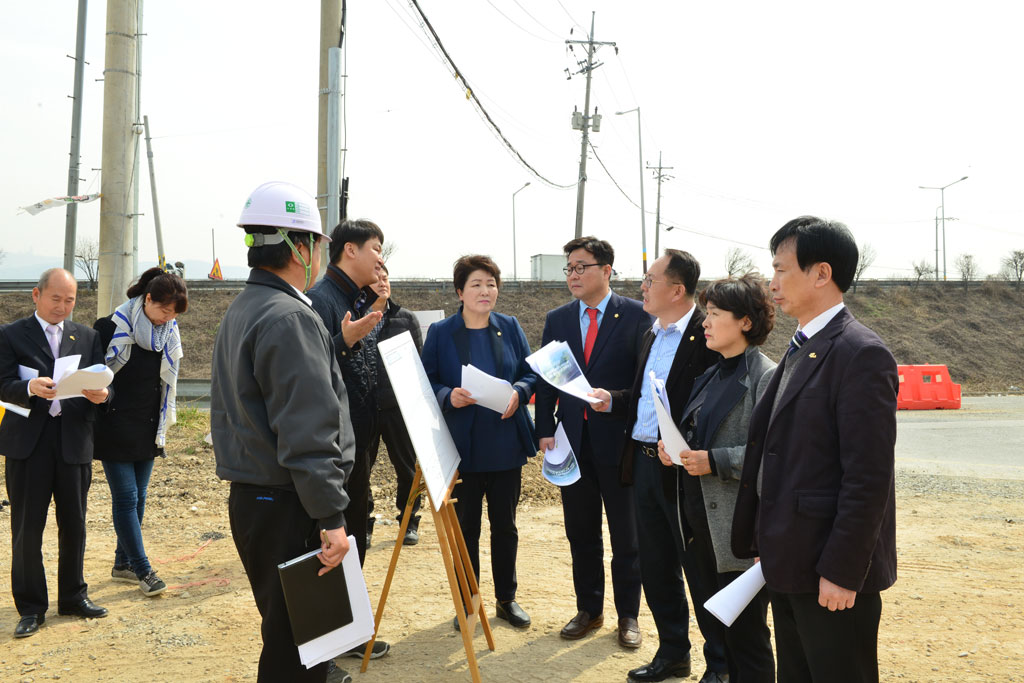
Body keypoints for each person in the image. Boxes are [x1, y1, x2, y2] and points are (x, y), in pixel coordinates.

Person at [732, 216, 899, 683]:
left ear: (821, 273)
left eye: (782, 270)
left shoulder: (860, 353)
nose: (772, 283)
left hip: (831, 571)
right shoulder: (803, 343)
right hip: (791, 559)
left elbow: (868, 478)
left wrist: (845, 571)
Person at [211, 181, 355, 682]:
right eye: (318, 244)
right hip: (289, 503)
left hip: (259, 499)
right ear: (300, 246)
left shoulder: (246, 307)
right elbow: (308, 430)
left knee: (293, 634)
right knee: (297, 647)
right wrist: (332, 516)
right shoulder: (289, 316)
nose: (321, 255)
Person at [591, 250, 725, 682]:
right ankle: (673, 653)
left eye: (650, 280)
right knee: (656, 566)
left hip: (685, 471)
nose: (642, 288)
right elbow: (646, 398)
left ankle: (721, 664)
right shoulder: (650, 334)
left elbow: (716, 409)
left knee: (699, 569)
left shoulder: (707, 336)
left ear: (677, 289)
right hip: (645, 464)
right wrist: (614, 400)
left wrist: (688, 448)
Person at [659, 272, 778, 683]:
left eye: (714, 314)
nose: (705, 322)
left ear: (745, 321)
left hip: (737, 530)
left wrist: (716, 460)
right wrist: (675, 449)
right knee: (719, 633)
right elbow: (697, 438)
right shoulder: (710, 374)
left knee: (747, 637)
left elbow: (775, 454)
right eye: (705, 313)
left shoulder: (766, 377)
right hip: (698, 525)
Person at [534, 236, 651, 648]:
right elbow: (547, 378)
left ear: (607, 270)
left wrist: (613, 402)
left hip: (620, 444)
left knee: (627, 537)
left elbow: (644, 385)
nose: (573, 275)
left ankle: (628, 616)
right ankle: (589, 609)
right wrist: (544, 428)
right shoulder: (559, 319)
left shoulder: (637, 317)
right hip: (572, 444)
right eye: (569, 268)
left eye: (581, 267)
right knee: (580, 533)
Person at [421, 255, 538, 629]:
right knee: (466, 527)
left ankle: (507, 599)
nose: (485, 291)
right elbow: (426, 382)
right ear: (460, 291)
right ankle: (468, 601)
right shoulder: (442, 333)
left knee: (505, 526)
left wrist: (520, 391)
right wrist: (446, 396)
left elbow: (529, 373)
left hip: (505, 443)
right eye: (476, 284)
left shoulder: (510, 325)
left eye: (491, 283)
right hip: (462, 447)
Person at [0, 268, 111, 638]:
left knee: (75, 525)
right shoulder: (11, 334)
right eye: (56, 298)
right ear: (36, 295)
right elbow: (2, 384)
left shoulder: (87, 335)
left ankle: (73, 597)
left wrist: (102, 395)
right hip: (28, 447)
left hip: (73, 443)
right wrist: (28, 386)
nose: (63, 306)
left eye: (70, 300)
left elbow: (102, 382)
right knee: (27, 529)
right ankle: (31, 607)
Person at [94, 267, 189, 598]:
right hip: (113, 425)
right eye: (163, 310)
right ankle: (143, 568)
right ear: (147, 299)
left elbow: (162, 384)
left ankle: (122, 563)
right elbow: (95, 376)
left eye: (173, 314)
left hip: (148, 427)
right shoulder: (110, 328)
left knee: (141, 496)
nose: (167, 319)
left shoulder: (168, 335)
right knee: (127, 497)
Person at [307, 219, 385, 565]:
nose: (381, 261)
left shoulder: (359, 301)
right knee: (337, 546)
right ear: (350, 250)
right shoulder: (320, 301)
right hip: (336, 446)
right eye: (376, 250)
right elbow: (310, 374)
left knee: (355, 539)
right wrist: (345, 341)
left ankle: (351, 614)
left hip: (359, 443)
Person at [366, 264, 424, 547]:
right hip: (364, 407)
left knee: (407, 468)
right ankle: (364, 524)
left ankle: (410, 521)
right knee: (360, 469)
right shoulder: (355, 319)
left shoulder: (406, 319)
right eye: (376, 279)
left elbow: (419, 365)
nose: (382, 283)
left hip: (398, 407)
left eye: (386, 278)